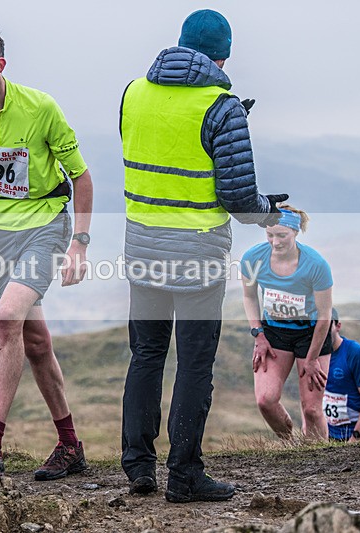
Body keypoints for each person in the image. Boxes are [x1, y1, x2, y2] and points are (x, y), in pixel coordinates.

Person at [119, 9, 286, 502]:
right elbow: (238, 199)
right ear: (222, 56)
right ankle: (185, 474)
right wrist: (267, 210)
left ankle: (139, 467)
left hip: (144, 250)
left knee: (146, 354)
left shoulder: (133, 93)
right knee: (194, 363)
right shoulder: (223, 107)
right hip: (197, 256)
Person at [0, 21, 93, 481]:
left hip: (47, 226)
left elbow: (82, 179)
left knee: (7, 319)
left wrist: (79, 245)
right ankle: (70, 446)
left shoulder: (40, 107)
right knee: (35, 341)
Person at [241, 205, 333, 442]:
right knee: (265, 400)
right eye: (270, 235)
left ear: (295, 232)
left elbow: (325, 315)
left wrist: (312, 358)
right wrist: (258, 335)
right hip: (274, 334)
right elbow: (249, 296)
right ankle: (291, 446)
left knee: (312, 410)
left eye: (282, 235)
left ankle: (318, 457)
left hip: (312, 335)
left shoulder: (316, 264)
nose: (275, 242)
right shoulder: (253, 258)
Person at [324, 308, 360, 442]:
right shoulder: (314, 356)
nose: (323, 332)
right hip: (332, 436)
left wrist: (356, 437)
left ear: (338, 326)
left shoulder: (355, 353)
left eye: (327, 326)